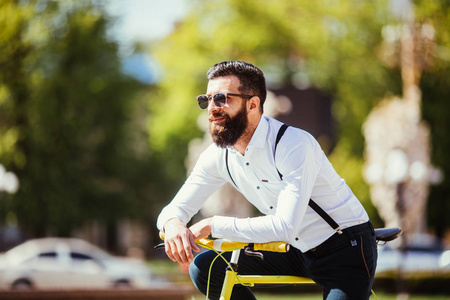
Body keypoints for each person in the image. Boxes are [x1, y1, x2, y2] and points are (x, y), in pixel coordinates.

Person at [156, 60, 377, 300]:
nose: (212, 108)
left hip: (344, 246)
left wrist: (211, 225)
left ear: (252, 104)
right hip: (293, 249)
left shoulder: (294, 144)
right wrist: (173, 224)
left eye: (221, 98)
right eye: (206, 100)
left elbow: (284, 226)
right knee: (205, 268)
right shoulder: (216, 156)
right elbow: (173, 209)